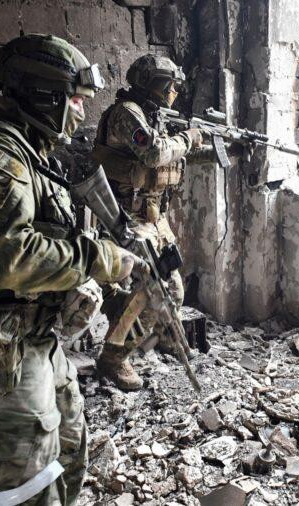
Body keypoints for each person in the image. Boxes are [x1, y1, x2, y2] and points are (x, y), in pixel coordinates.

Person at [0, 34, 145, 505]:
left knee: (71, 456)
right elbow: (7, 256)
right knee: (31, 492)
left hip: (36, 340)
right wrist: (98, 259)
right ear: (46, 96)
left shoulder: (29, 152)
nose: (81, 111)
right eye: (76, 100)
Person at [92, 54, 205, 391]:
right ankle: (113, 357)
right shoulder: (126, 113)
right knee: (158, 288)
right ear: (148, 83)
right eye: (166, 84)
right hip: (123, 217)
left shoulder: (154, 116)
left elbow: (169, 156)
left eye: (174, 85)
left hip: (153, 217)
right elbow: (154, 153)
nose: (173, 91)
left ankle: (166, 336)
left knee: (174, 286)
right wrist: (188, 139)